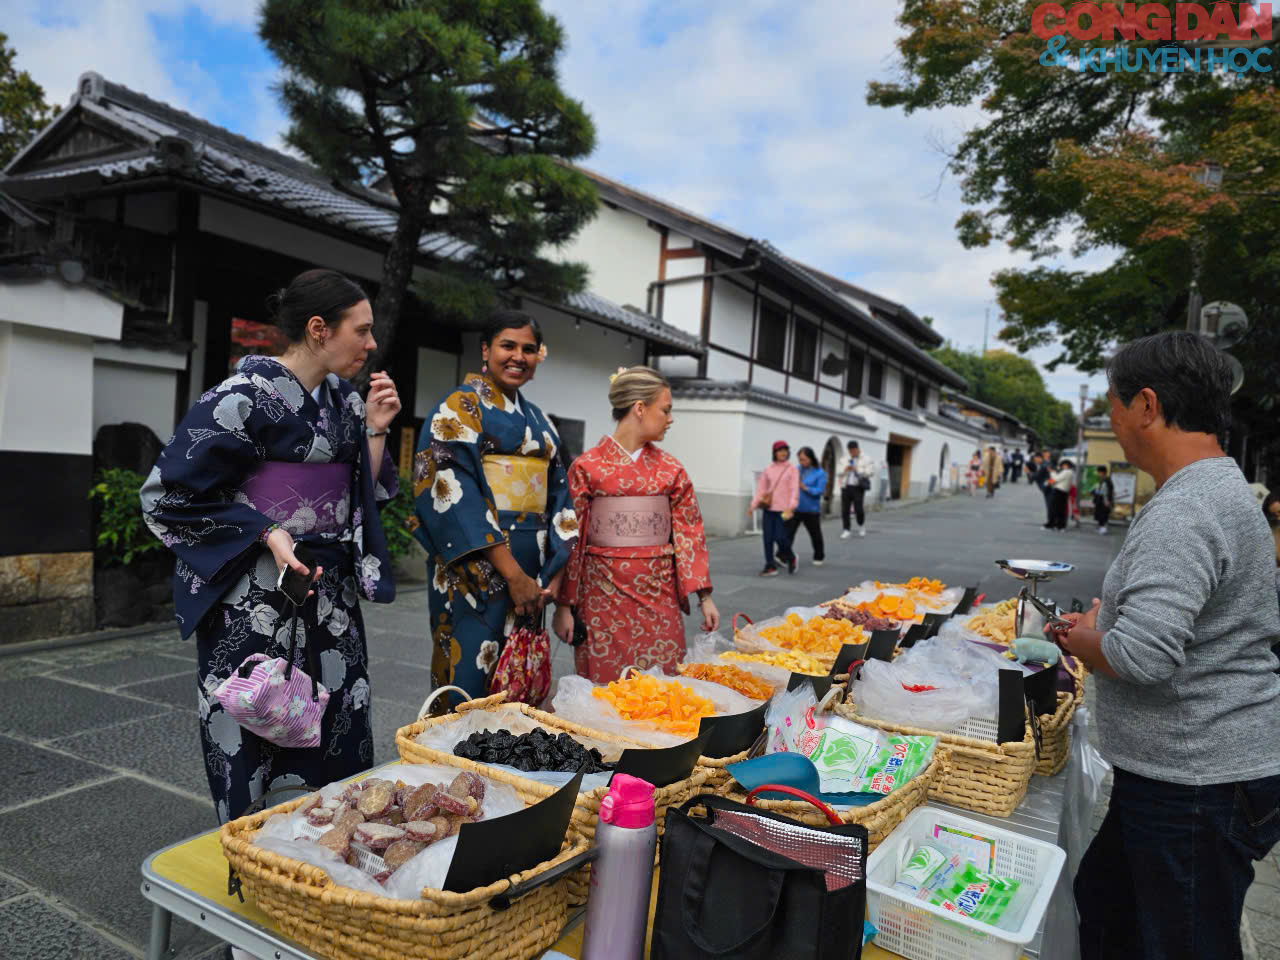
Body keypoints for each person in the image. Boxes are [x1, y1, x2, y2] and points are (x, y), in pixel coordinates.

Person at [140, 268, 400, 823]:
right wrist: (264, 529)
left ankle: (330, 855)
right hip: (254, 589)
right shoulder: (240, 397)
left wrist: (376, 430)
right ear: (318, 329)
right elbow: (165, 495)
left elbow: (362, 494)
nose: (371, 344)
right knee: (252, 716)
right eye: (362, 330)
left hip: (327, 588)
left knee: (340, 720)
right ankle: (254, 855)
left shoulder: (347, 404)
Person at [1051, 331, 1280, 960]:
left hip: (1196, 781)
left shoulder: (1186, 509)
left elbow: (1143, 658)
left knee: (1182, 941)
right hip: (1185, 770)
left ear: (1147, 406)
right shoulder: (1218, 488)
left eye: (1114, 407)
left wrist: (1083, 638)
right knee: (1106, 907)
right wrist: (1114, 623)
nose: (1114, 422)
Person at [412, 309, 577, 706]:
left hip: (532, 571)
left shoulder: (541, 421)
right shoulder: (457, 409)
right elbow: (451, 493)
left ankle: (508, 768)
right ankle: (450, 763)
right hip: (476, 569)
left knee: (518, 688)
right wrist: (511, 573)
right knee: (468, 678)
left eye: (529, 349)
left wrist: (553, 572)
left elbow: (560, 497)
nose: (518, 356)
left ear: (539, 357)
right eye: (508, 345)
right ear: (486, 350)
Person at [553, 366, 718, 681]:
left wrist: (704, 597)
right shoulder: (587, 467)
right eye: (665, 410)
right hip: (601, 598)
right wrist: (565, 605)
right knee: (604, 692)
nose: (670, 419)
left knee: (663, 686)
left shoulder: (672, 470)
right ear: (640, 408)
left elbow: (689, 534)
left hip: (660, 596)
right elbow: (571, 542)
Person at [749, 441, 798, 576]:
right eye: (779, 450)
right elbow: (761, 489)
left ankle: (791, 556)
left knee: (780, 537)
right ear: (774, 453)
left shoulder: (792, 469)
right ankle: (770, 565)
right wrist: (753, 505)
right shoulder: (769, 469)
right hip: (769, 509)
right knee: (767, 539)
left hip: (783, 510)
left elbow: (794, 490)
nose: (782, 453)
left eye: (785, 450)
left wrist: (791, 506)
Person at [785, 446, 827, 567]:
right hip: (795, 508)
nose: (801, 462)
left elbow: (820, 491)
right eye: (800, 459)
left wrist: (805, 488)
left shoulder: (820, 473)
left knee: (815, 534)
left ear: (811, 459)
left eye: (804, 459)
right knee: (787, 533)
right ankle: (783, 555)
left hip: (811, 510)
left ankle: (819, 556)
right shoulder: (797, 469)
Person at [837, 440, 874, 538]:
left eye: (854, 450)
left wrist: (857, 470)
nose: (852, 453)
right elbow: (839, 472)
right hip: (845, 486)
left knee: (859, 509)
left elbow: (870, 472)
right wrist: (845, 469)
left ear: (858, 448)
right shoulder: (844, 458)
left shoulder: (866, 458)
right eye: (850, 451)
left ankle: (861, 525)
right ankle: (846, 529)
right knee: (845, 509)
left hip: (858, 487)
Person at [1045, 458, 1074, 530]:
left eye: (1063, 465)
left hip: (1059, 491)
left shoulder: (1067, 471)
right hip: (1063, 492)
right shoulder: (1069, 472)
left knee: (1054, 508)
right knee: (1061, 509)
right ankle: (1059, 525)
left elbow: (1056, 479)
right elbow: (1057, 480)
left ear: (1066, 465)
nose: (1062, 467)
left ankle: (1053, 524)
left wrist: (1052, 472)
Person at [1092, 465, 1115, 534]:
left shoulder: (1107, 480)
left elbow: (1110, 491)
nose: (1098, 474)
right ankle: (1100, 527)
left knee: (1104, 514)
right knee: (1099, 513)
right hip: (1100, 499)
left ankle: (1103, 528)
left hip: (1104, 500)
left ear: (1102, 472)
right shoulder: (1102, 479)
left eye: (1099, 472)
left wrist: (1108, 500)